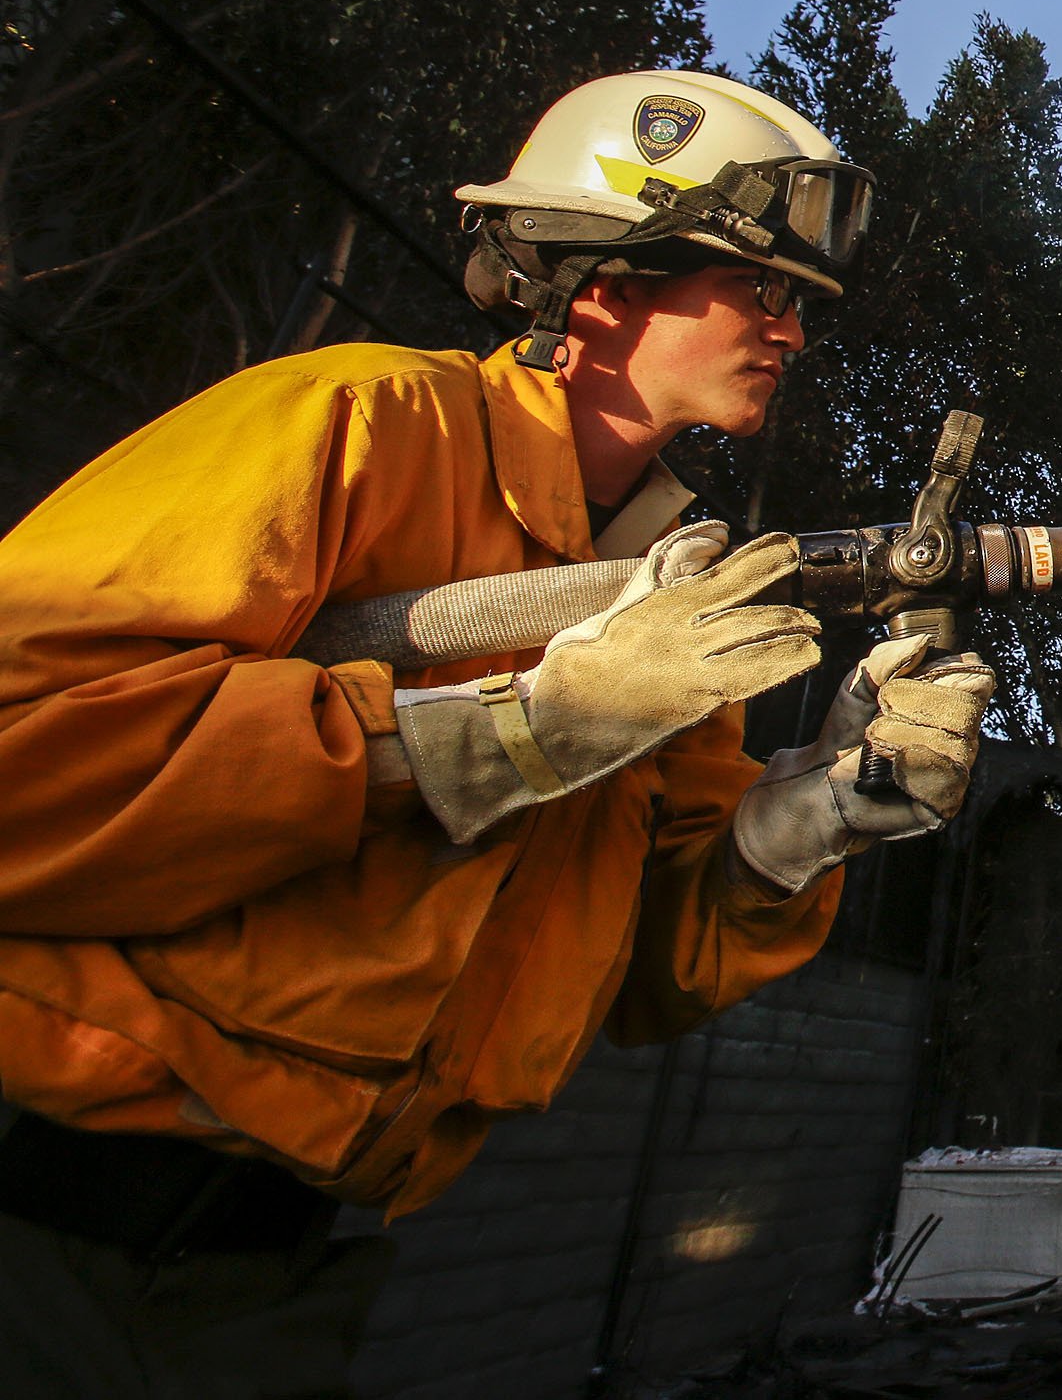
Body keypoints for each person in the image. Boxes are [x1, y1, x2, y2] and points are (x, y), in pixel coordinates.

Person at [0, 71, 995, 1394]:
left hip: (273, 1282)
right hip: (42, 1215)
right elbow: (28, 752)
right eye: (759, 287)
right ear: (606, 286)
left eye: (796, 302)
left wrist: (798, 826)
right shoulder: (355, 426)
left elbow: (635, 971)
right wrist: (514, 728)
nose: (791, 330)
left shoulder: (676, 602)